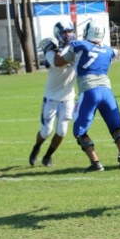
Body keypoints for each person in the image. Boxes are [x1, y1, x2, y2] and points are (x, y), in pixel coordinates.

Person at [52, 19, 120, 172]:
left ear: (88, 31)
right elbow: (110, 54)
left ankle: (96, 163)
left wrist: (56, 50)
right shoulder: (109, 51)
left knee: (79, 131)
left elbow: (59, 62)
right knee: (116, 126)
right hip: (107, 91)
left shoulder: (78, 45)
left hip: (89, 90)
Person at [29, 20, 76, 167]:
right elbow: (58, 62)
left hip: (68, 97)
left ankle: (48, 156)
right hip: (51, 97)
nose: (67, 35)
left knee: (62, 131)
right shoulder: (51, 50)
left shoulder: (76, 47)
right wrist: (60, 49)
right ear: (58, 34)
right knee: (46, 131)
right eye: (64, 32)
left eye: (69, 31)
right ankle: (36, 147)